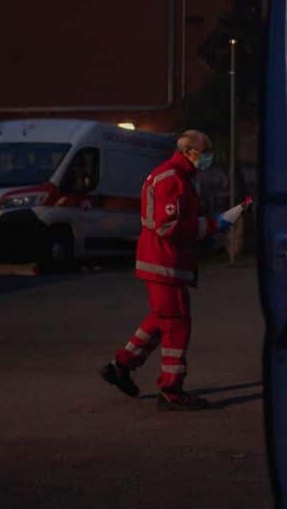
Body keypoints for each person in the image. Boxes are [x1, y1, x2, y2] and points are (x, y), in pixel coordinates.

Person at [99, 130, 231, 410]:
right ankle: (171, 390)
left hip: (162, 262)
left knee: (162, 318)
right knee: (176, 323)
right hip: (165, 262)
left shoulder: (175, 176)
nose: (208, 158)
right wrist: (209, 226)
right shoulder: (173, 178)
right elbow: (167, 225)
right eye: (204, 152)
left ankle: (120, 365)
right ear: (188, 152)